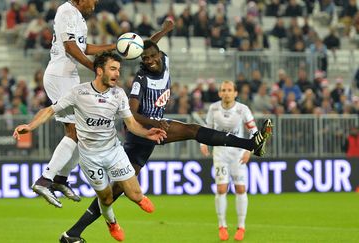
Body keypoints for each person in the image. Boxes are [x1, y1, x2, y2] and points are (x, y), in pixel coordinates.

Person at [60, 22, 273, 243]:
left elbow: (150, 44)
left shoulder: (164, 59)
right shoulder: (140, 80)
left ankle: (73, 233)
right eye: (145, 59)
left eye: (153, 57)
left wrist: (164, 30)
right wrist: (154, 123)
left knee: (115, 191)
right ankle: (251, 144)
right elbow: (131, 113)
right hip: (141, 130)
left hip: (153, 128)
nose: (150, 61)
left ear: (160, 54)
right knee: (193, 131)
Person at [14, 52, 166, 241]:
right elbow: (49, 110)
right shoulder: (79, 92)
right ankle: (112, 223)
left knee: (136, 195)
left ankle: (137, 198)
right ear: (99, 70)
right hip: (90, 158)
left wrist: (147, 132)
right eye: (113, 69)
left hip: (113, 152)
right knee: (106, 198)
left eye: (118, 69)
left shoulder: (118, 94)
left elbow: (132, 124)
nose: (117, 74)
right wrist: (29, 126)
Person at [32, 0, 116, 208]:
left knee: (82, 132)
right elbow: (70, 47)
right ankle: (45, 180)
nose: (95, 3)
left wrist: (113, 46)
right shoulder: (66, 11)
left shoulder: (78, 17)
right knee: (75, 131)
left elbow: (83, 47)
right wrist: (96, 68)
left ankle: (60, 179)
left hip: (69, 76)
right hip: (60, 75)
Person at [200, 80, 259, 241]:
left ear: (235, 93)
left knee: (240, 189)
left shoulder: (242, 109)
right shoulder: (213, 108)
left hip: (238, 153)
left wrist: (249, 150)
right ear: (219, 93)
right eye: (223, 90)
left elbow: (253, 131)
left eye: (229, 90)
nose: (226, 92)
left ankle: (241, 226)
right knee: (221, 189)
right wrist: (204, 143)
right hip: (220, 152)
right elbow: (208, 128)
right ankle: (222, 225)